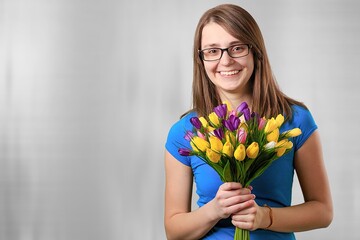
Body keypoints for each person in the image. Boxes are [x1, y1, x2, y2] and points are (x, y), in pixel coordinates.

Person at [164, 4, 333, 240]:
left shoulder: (295, 121)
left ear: (255, 51)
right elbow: (174, 231)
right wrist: (214, 210)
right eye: (212, 51)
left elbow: (322, 211)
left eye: (237, 48)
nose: (226, 61)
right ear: (201, 59)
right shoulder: (185, 132)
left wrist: (265, 217)